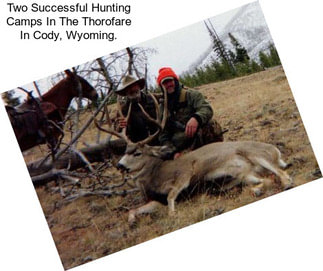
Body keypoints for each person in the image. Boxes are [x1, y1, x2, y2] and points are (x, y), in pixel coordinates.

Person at [157, 67, 224, 159]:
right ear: (161, 86)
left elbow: (206, 108)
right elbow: (163, 135)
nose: (168, 85)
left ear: (175, 81)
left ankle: (218, 154)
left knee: (211, 124)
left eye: (170, 81)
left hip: (197, 136)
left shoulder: (191, 95)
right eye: (165, 83)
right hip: (179, 144)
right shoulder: (162, 108)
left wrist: (196, 118)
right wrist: (173, 153)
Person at [114, 74, 159, 145]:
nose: (131, 89)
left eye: (133, 85)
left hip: (159, 139)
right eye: (128, 88)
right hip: (138, 145)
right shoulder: (123, 110)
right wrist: (120, 126)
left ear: (139, 86)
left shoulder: (153, 99)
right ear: (125, 92)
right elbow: (118, 130)